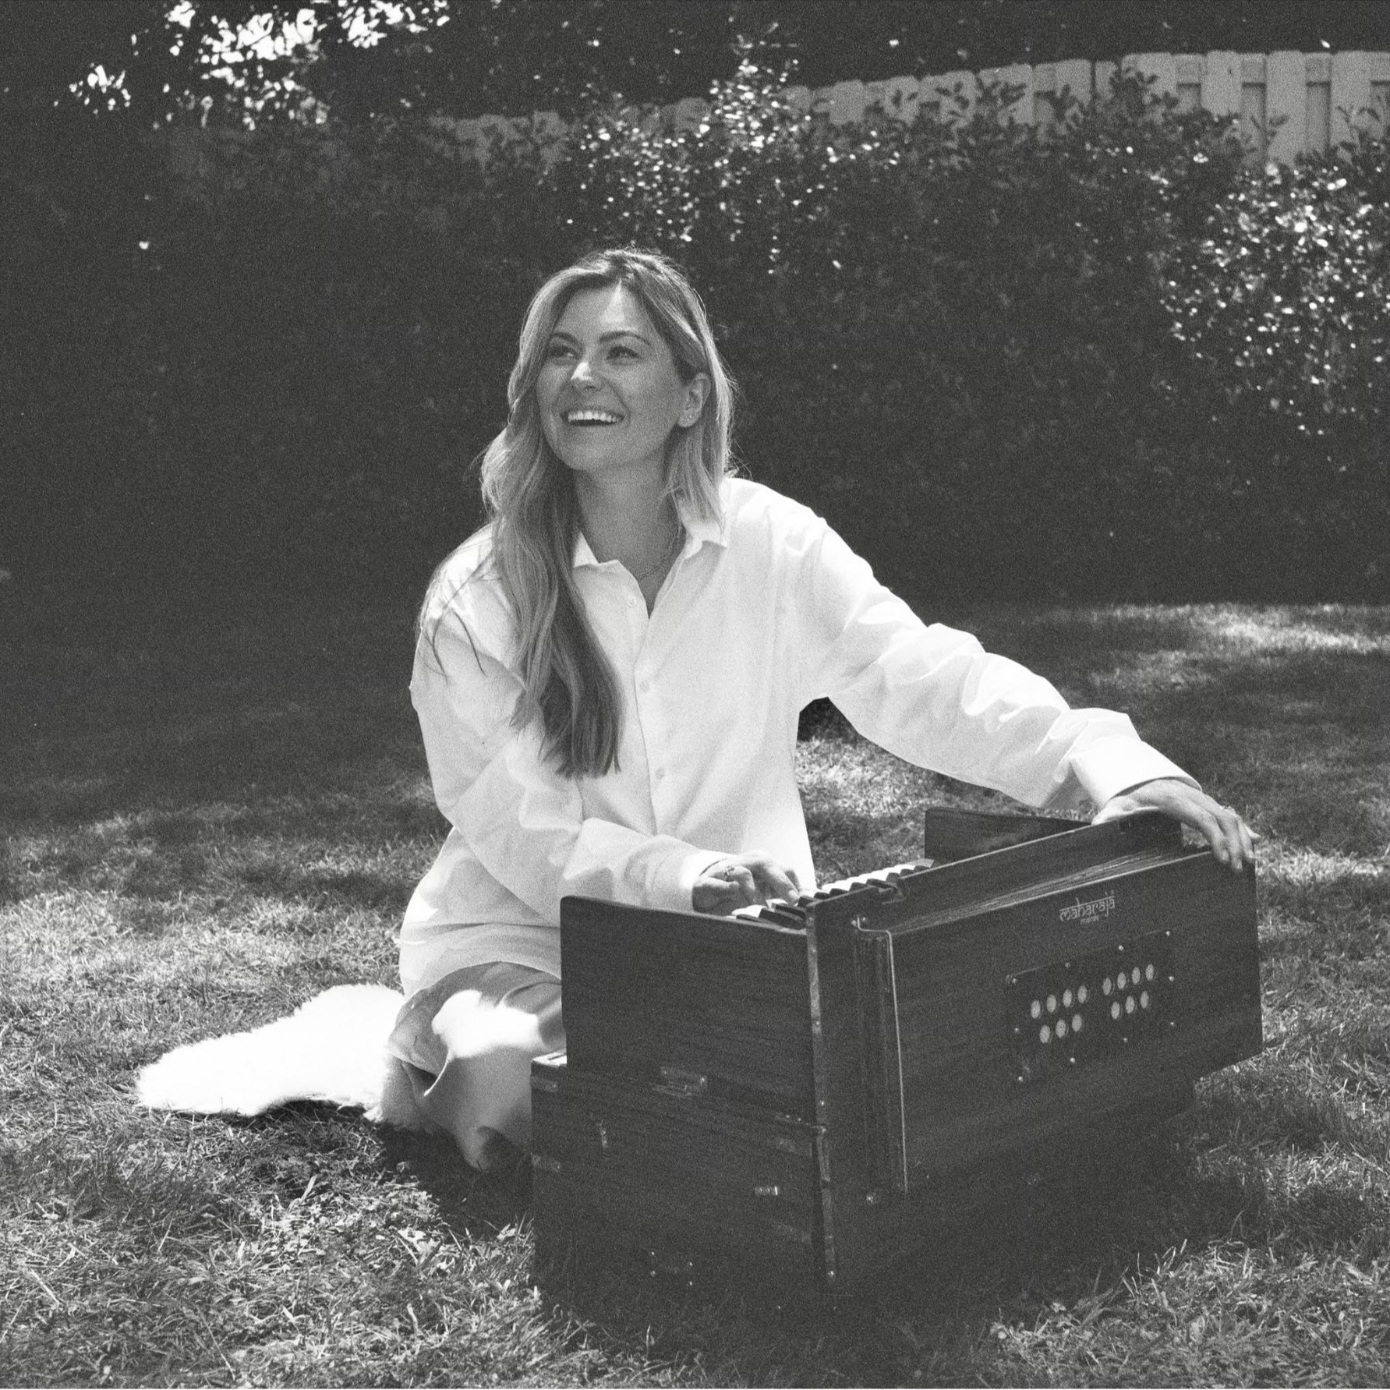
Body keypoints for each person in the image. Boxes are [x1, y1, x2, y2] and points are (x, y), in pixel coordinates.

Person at [386, 247, 1256, 1170]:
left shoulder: (772, 542)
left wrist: (1102, 757)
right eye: (560, 352)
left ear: (690, 394)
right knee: (510, 1071)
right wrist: (687, 878)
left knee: (846, 1075)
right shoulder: (476, 598)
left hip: (740, 951)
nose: (583, 376)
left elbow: (919, 674)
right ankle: (436, 1057)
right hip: (519, 943)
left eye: (623, 352)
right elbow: (523, 832)